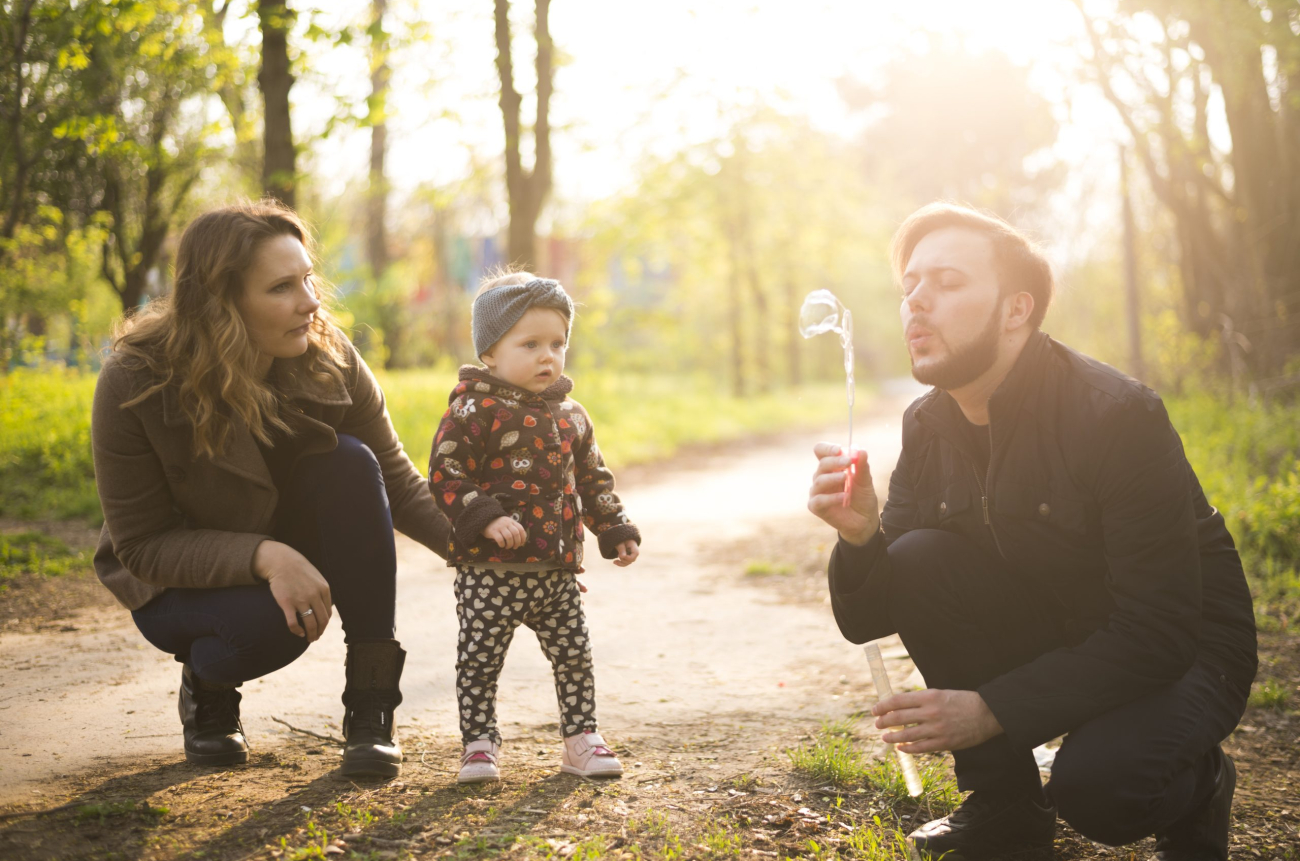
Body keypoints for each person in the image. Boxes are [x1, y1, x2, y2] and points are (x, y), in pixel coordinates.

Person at [806, 203, 1256, 860]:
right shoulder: (927, 425)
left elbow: (1160, 630)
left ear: (1017, 310)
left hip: (1187, 646)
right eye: (910, 287)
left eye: (948, 283)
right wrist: (860, 537)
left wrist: (991, 707)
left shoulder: (1116, 414)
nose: (917, 303)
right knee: (919, 555)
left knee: (1101, 789)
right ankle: (1005, 806)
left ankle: (1205, 783)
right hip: (1062, 619)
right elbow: (874, 611)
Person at [91, 200, 450, 779]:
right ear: (221, 304)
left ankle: (371, 707)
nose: (310, 301)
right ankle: (207, 685)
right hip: (176, 585)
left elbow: (399, 485)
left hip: (284, 550)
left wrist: (492, 549)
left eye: (307, 278)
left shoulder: (329, 356)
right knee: (263, 631)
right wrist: (265, 556)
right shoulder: (136, 379)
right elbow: (143, 546)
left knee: (353, 463)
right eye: (282, 287)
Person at [428, 271, 641, 784]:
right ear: (491, 353)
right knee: (479, 658)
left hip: (556, 571)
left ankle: (581, 738)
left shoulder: (571, 415)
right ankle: (479, 745)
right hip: (489, 569)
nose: (548, 356)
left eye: (557, 343)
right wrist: (488, 517)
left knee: (574, 657)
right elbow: (445, 473)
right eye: (531, 344)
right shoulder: (474, 408)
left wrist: (613, 527)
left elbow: (593, 479)